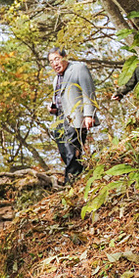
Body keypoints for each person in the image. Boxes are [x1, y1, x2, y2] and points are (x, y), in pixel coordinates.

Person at [47, 47, 97, 185]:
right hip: (59, 118)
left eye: (57, 59)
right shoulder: (56, 79)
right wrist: (52, 107)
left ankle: (71, 183)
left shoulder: (78, 68)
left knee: (71, 150)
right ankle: (79, 175)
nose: (54, 64)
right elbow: (59, 97)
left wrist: (88, 115)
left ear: (64, 57)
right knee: (64, 150)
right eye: (51, 61)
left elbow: (89, 91)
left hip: (76, 117)